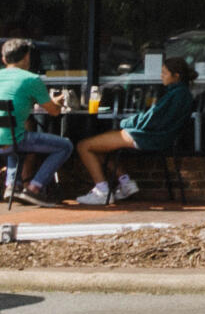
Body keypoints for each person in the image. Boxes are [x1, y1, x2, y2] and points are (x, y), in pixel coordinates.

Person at [74, 56, 197, 205]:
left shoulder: (176, 95)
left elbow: (151, 119)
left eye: (164, 73)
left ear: (176, 76)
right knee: (99, 146)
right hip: (162, 137)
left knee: (84, 146)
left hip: (149, 137)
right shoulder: (183, 94)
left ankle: (102, 191)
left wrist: (125, 122)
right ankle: (126, 183)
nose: (161, 76)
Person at [0, 39, 73, 204]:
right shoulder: (31, 79)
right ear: (27, 57)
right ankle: (34, 189)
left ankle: (12, 186)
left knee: (16, 133)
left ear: (4, 59)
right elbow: (54, 111)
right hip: (10, 141)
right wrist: (60, 99)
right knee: (65, 146)